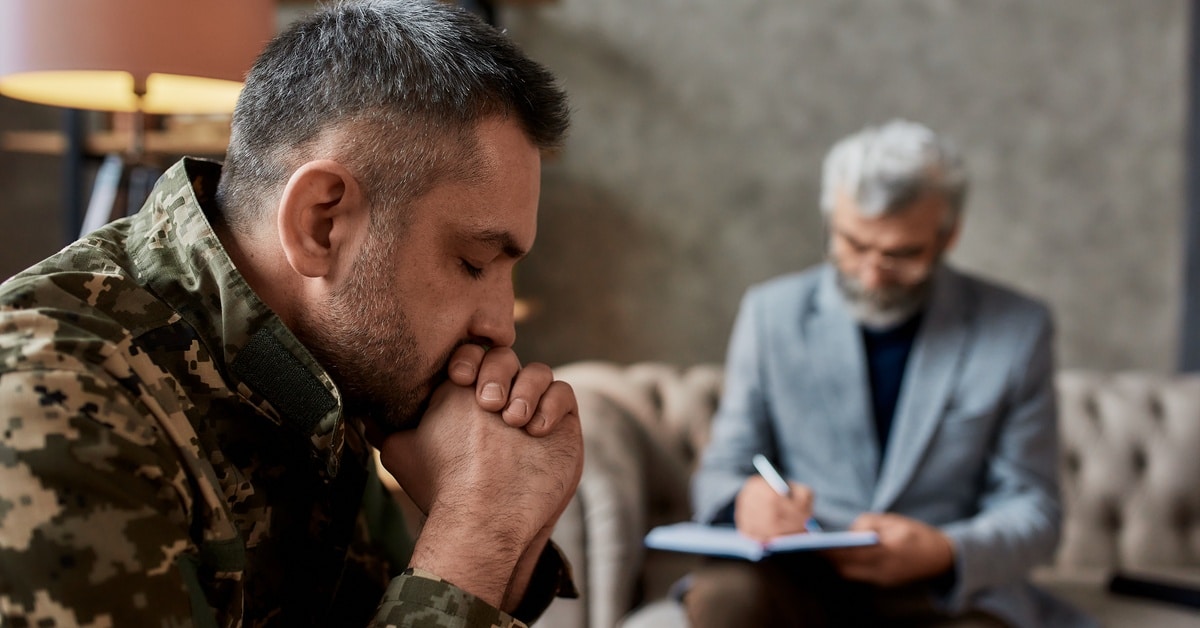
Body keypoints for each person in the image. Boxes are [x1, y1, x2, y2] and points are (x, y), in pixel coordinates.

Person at [0, 1, 583, 626]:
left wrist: (509, 529)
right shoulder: (53, 411)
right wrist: (477, 530)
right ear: (321, 223)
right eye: (472, 262)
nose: (501, 324)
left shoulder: (326, 380)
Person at [681, 120, 1095, 627]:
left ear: (949, 236)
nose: (872, 273)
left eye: (901, 253)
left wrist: (945, 550)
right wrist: (747, 499)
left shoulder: (1017, 329)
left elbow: (1034, 511)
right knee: (723, 599)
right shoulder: (771, 314)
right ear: (832, 220)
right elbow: (722, 470)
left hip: (943, 594)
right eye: (854, 245)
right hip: (798, 576)